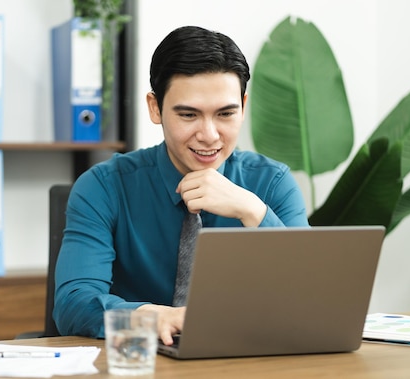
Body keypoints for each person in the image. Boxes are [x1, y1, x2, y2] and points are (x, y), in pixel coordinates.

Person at [53, 25, 309, 345]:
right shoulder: (103, 187)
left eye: (225, 114)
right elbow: (73, 303)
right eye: (189, 115)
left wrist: (254, 211)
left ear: (243, 106)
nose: (210, 135)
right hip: (140, 362)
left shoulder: (272, 184)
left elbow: (309, 300)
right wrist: (146, 316)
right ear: (155, 108)